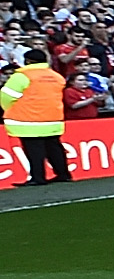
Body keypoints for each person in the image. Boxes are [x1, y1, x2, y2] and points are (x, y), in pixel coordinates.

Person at [4, 48, 71, 185]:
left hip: (28, 120)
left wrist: (8, 109)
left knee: (34, 151)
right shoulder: (56, 76)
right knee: (54, 148)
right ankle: (63, 174)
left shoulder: (22, 76)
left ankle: (38, 177)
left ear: (28, 61)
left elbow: (6, 97)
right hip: (53, 119)